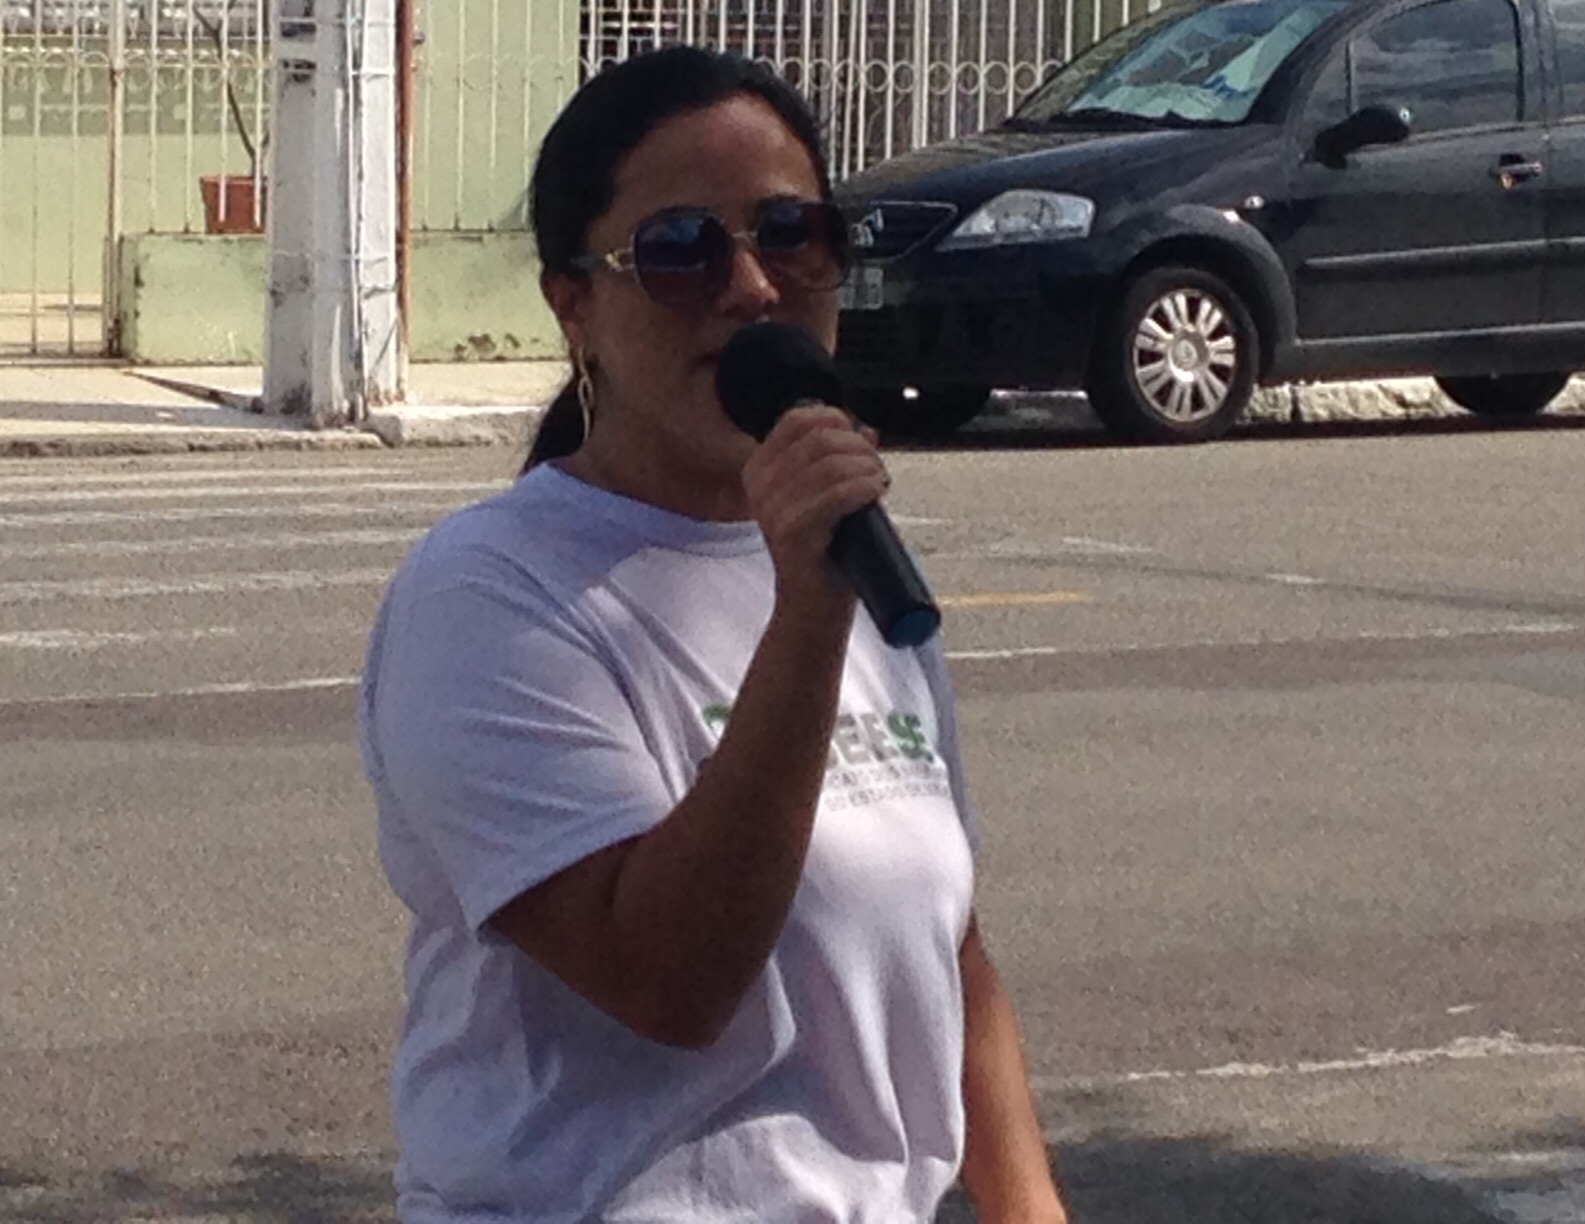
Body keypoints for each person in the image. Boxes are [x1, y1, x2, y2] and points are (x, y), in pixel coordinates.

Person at [357, 45, 1066, 1223]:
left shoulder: (844, 556)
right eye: (681, 251)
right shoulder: (488, 596)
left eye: (792, 234)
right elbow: (671, 981)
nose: (751, 289)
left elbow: (952, 948)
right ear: (574, 304)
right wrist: (808, 614)